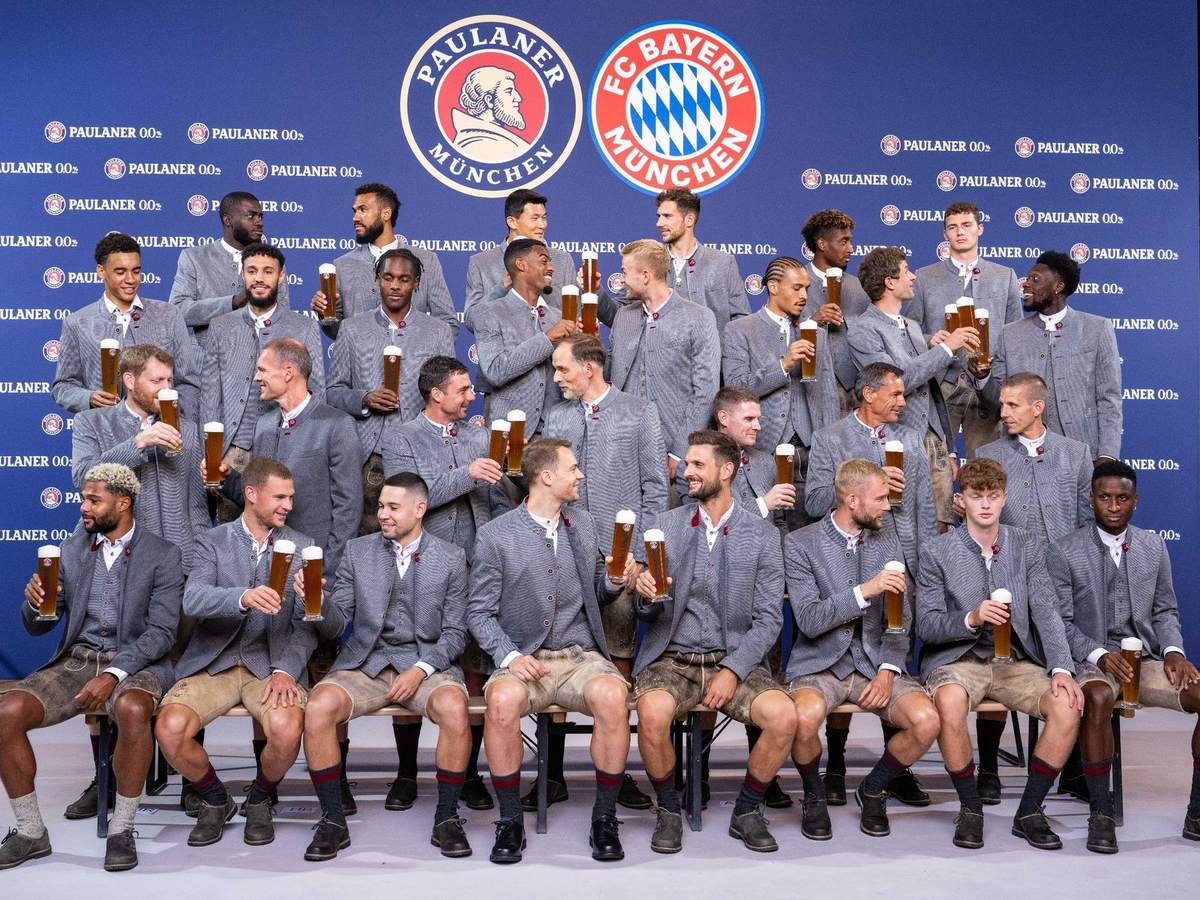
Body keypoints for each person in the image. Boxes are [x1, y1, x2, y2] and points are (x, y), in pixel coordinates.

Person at [0, 464, 181, 872]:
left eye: (93, 500)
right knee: (7, 713)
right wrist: (35, 604)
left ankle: (122, 829)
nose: (83, 507)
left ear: (123, 503)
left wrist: (113, 675)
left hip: (137, 661)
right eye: (83, 498)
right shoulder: (72, 549)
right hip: (79, 659)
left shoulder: (163, 554)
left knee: (132, 709)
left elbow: (162, 633)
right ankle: (30, 832)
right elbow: (40, 624)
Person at [467, 439, 638, 864]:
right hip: (526, 658)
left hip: (580, 657)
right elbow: (478, 612)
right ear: (546, 477)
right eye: (573, 468)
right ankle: (510, 820)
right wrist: (509, 657)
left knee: (613, 696)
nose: (580, 475)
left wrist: (614, 581)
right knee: (501, 703)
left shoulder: (585, 524)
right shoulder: (495, 535)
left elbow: (598, 591)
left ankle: (604, 818)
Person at [631, 430, 794, 854]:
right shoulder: (664, 525)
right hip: (672, 659)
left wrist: (734, 669)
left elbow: (769, 619)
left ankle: (747, 810)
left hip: (733, 658)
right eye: (687, 464)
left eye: (697, 465)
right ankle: (669, 810)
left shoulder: (762, 535)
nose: (686, 472)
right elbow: (647, 612)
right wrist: (643, 596)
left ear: (726, 471)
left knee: (783, 717)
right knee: (651, 713)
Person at [300, 473, 476, 861]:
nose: (382, 514)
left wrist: (421, 669)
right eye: (380, 506)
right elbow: (337, 622)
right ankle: (333, 820)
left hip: (424, 665)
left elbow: (455, 633)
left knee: (454, 707)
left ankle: (447, 817)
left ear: (419, 509)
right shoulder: (358, 551)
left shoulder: (450, 557)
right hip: (367, 663)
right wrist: (317, 602)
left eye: (392, 507)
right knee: (318, 706)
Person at [917, 457, 1084, 851]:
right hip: (960, 660)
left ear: (1005, 498)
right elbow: (926, 624)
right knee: (949, 702)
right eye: (977, 496)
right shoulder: (936, 550)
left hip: (1015, 662)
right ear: (961, 500)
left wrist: (1062, 667)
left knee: (1067, 705)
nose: (986, 504)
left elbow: (1046, 610)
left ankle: (1029, 810)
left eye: (993, 496)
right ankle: (970, 808)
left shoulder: (1027, 544)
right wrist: (971, 617)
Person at [154, 457, 315, 849]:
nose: (288, 506)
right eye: (280, 497)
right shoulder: (213, 541)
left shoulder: (305, 547)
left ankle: (259, 798)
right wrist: (242, 597)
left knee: (287, 729)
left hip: (271, 666)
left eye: (291, 497)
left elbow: (306, 626)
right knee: (169, 730)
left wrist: (286, 670)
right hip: (215, 662)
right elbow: (193, 599)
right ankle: (216, 798)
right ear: (251, 494)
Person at [803, 362, 938, 807]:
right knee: (845, 651)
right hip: (845, 559)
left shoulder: (911, 439)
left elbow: (923, 508)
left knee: (886, 653)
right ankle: (836, 765)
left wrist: (924, 570)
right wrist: (871, 480)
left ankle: (893, 771)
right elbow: (814, 502)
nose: (903, 401)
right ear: (867, 393)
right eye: (895, 394)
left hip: (899, 562)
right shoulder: (830, 438)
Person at [543, 333, 668, 810]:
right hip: (566, 554)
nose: (556, 378)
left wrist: (639, 556)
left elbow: (656, 488)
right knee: (555, 654)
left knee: (618, 661)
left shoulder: (639, 411)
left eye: (563, 369)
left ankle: (617, 775)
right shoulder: (556, 416)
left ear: (589, 368)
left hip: (623, 559)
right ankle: (551, 775)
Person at [785, 460, 941, 840]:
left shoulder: (888, 540)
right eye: (881, 498)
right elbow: (809, 620)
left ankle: (874, 788)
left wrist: (888, 669)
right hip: (820, 664)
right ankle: (814, 795)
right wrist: (865, 591)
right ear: (852, 500)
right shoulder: (801, 543)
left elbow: (900, 621)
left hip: (874, 663)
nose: (888, 506)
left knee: (927, 721)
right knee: (802, 719)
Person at [1050, 460, 1200, 851]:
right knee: (1099, 697)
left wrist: (1173, 651)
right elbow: (1060, 622)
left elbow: (1165, 610)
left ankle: (1197, 811)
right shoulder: (1065, 549)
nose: (1113, 506)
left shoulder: (1153, 545)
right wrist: (1099, 655)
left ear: (1135, 501)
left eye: (1122, 498)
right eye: (1105, 497)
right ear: (1091, 499)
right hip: (1091, 659)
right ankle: (1101, 813)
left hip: (1145, 659)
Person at [382, 356, 506, 814]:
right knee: (412, 659)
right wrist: (466, 474)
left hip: (476, 567)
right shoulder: (401, 437)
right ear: (436, 394)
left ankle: (469, 773)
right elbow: (407, 499)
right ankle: (406, 773)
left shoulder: (480, 436)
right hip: (421, 565)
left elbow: (496, 499)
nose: (472, 396)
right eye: (463, 390)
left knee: (473, 667)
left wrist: (497, 547)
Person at [327, 248, 455, 534]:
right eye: (388, 278)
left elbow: (449, 396)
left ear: (417, 283)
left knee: (419, 538)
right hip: (368, 457)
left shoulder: (438, 331)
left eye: (404, 279)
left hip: (420, 453)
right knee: (365, 538)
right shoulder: (352, 329)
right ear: (378, 280)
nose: (395, 285)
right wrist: (364, 398)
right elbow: (332, 392)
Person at [850, 246, 980, 528]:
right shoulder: (863, 329)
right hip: (896, 443)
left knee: (942, 525)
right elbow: (895, 382)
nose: (913, 277)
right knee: (900, 525)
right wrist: (946, 348)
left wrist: (949, 448)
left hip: (934, 443)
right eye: (907, 271)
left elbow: (931, 392)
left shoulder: (911, 325)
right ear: (889, 282)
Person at [211, 339, 362, 579]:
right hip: (264, 569)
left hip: (311, 570)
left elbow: (349, 510)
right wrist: (227, 479)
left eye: (262, 370)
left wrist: (329, 575)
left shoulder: (338, 425)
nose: (256, 378)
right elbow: (261, 498)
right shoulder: (263, 425)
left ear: (288, 373)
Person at [202, 243, 325, 522]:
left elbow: (316, 391)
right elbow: (209, 396)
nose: (259, 278)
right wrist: (211, 454)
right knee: (234, 534)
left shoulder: (303, 326)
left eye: (268, 271)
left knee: (289, 527)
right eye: (252, 271)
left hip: (287, 447)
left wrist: (309, 449)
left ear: (281, 276)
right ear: (242, 274)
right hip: (233, 452)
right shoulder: (221, 325)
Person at [970, 250, 1122, 464]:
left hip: (1083, 454)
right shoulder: (1009, 333)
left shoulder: (1097, 329)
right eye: (1027, 278)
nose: (1025, 284)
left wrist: (1107, 455)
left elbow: (1109, 398)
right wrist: (983, 378)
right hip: (1022, 455)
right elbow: (997, 400)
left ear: (1058, 287)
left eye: (1035, 279)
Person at [722, 255, 840, 529]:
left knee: (806, 535)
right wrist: (783, 366)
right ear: (773, 287)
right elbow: (735, 389)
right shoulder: (739, 330)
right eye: (796, 288)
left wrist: (831, 450)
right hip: (760, 453)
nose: (804, 295)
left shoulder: (816, 333)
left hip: (809, 455)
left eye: (807, 288)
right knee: (762, 533)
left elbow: (828, 396)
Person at [72, 343, 210, 573]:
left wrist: (201, 561)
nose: (166, 389)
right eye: (157, 381)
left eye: (169, 381)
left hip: (179, 562)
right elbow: (82, 477)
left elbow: (197, 507)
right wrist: (138, 443)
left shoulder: (188, 430)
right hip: (119, 561)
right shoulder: (91, 422)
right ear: (130, 380)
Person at [906, 201, 1025, 457]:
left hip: (988, 385)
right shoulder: (924, 276)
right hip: (941, 383)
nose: (960, 232)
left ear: (979, 229)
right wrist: (929, 339)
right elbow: (908, 328)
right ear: (945, 234)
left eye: (966, 225)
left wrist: (1005, 383)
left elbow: (1016, 335)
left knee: (986, 467)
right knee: (934, 464)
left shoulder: (1004, 276)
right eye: (952, 227)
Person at [608, 239, 720, 500]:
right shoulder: (623, 317)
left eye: (625, 271)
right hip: (621, 452)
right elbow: (610, 378)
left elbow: (705, 391)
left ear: (645, 276)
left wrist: (678, 452)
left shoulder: (699, 317)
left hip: (675, 456)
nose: (622, 280)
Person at [53, 232, 200, 418]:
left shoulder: (169, 315)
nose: (130, 279)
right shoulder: (77, 323)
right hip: (103, 431)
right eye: (120, 272)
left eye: (136, 271)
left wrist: (171, 417)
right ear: (101, 271)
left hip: (161, 432)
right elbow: (63, 387)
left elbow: (189, 384)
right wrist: (88, 398)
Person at [311, 182, 456, 339]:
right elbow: (337, 331)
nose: (355, 217)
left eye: (363, 210)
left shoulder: (426, 260)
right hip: (361, 355)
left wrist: (419, 351)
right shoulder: (342, 265)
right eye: (355, 211)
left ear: (386, 214)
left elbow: (447, 323)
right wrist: (325, 314)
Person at [169, 191, 291, 358]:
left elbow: (282, 315)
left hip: (259, 363)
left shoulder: (272, 260)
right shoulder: (194, 257)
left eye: (260, 217)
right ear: (228, 220)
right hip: (206, 363)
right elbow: (178, 311)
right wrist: (232, 302)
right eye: (251, 216)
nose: (259, 222)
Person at [975, 372, 1092, 545]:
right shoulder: (986, 456)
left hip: (1064, 559)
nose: (1003, 413)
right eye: (1002, 405)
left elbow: (1088, 522)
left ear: (1037, 407)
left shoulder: (1077, 453)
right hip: (1008, 559)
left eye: (1013, 405)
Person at [473, 238, 575, 436]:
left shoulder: (559, 317)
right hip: (511, 436)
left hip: (557, 435)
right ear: (521, 264)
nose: (552, 268)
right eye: (544, 261)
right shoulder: (489, 312)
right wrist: (547, 338)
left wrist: (587, 343)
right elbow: (495, 371)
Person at [463, 189, 584, 334]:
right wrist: (502, 288)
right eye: (535, 218)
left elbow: (575, 318)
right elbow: (471, 321)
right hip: (507, 347)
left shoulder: (562, 260)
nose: (542, 225)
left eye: (544, 218)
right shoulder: (482, 263)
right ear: (512, 222)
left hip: (556, 347)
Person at [799, 210, 871, 414]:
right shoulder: (795, 283)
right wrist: (813, 321)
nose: (851, 249)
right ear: (822, 244)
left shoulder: (858, 287)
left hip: (855, 392)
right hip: (812, 392)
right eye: (843, 242)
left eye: (850, 241)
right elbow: (779, 335)